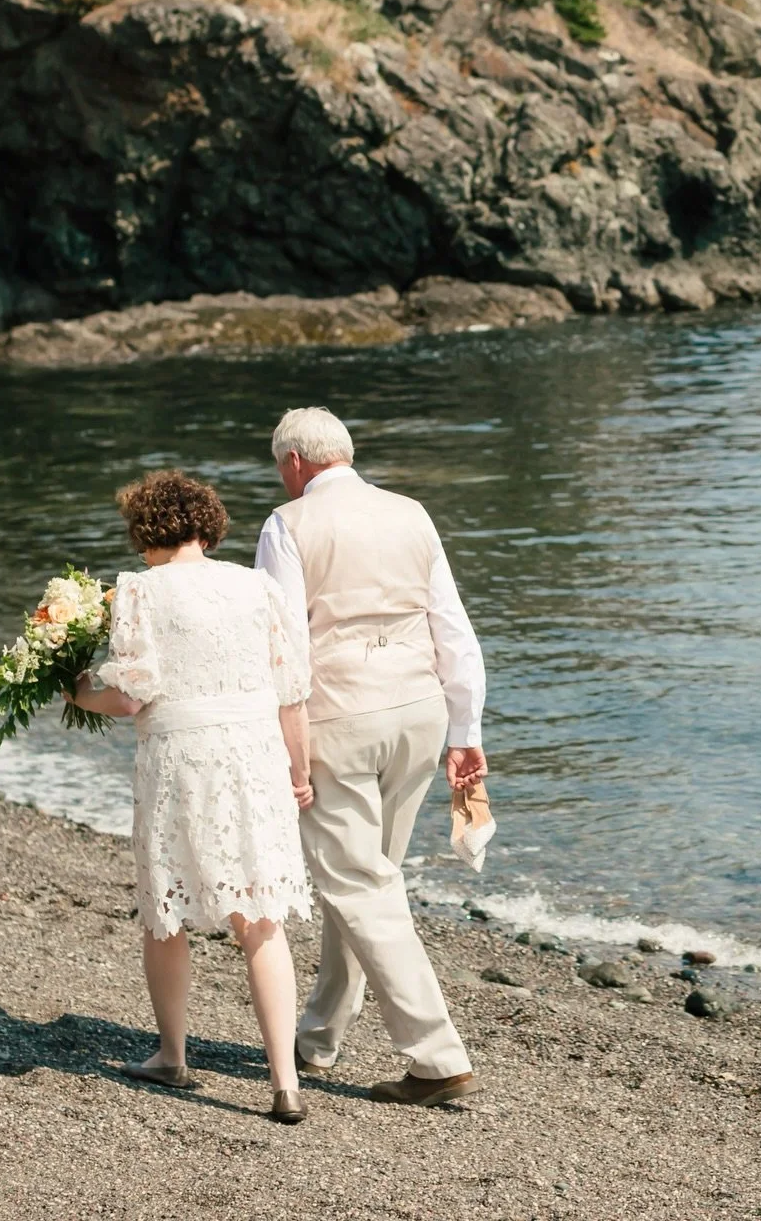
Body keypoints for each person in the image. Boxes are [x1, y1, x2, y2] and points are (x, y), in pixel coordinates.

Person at [255, 406, 488, 1107]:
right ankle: (320, 1034)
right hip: (419, 712)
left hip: (339, 715)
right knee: (367, 879)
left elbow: (283, 646)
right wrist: (466, 730)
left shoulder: (286, 525)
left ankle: (437, 1055)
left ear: (294, 464)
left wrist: (288, 752)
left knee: (358, 884)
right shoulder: (412, 513)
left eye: (280, 469)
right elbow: (454, 626)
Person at [67, 470, 314, 1123]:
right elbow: (291, 691)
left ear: (145, 532)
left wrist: (75, 692)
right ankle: (285, 1083)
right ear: (206, 525)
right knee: (261, 920)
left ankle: (173, 1056)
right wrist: (301, 771)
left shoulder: (138, 592)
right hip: (255, 756)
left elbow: (129, 695)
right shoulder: (257, 586)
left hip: (182, 759)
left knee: (165, 912)